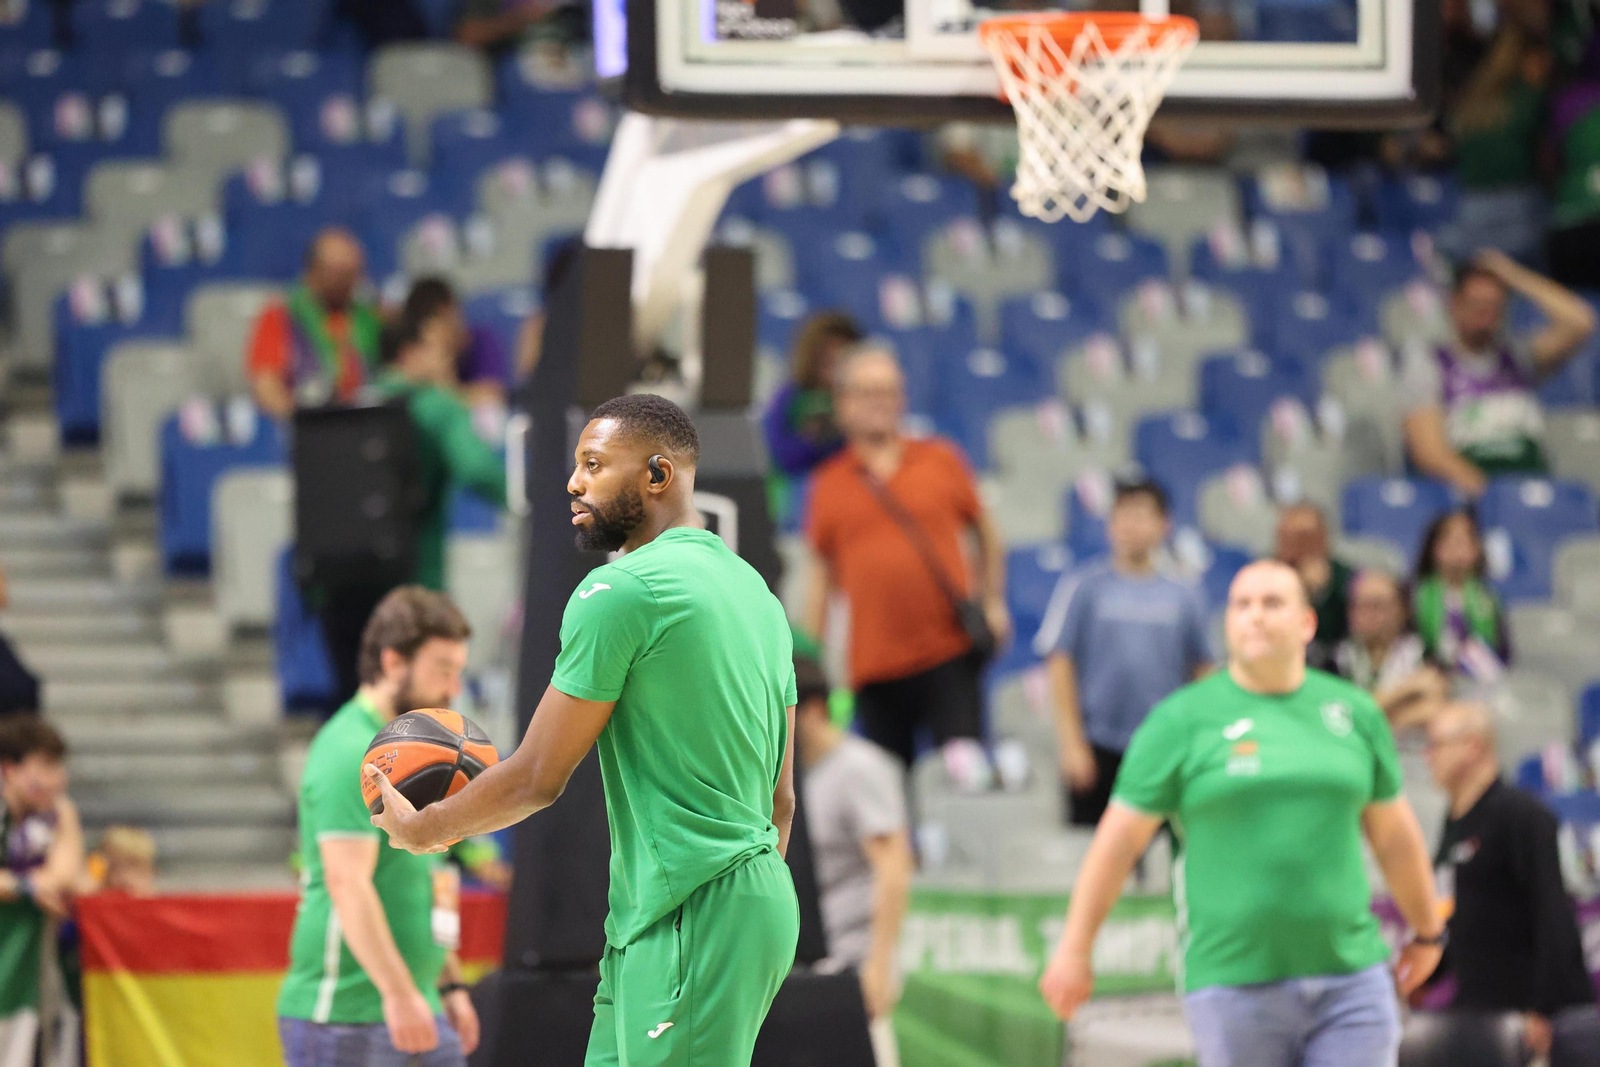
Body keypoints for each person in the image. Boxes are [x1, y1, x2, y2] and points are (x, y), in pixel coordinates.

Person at [367, 394, 802, 1067]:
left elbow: (540, 775)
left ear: (658, 475)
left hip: (694, 905)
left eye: (594, 464)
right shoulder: (758, 595)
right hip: (702, 906)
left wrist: (430, 829)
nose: (573, 482)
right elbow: (782, 803)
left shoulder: (621, 591)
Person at [1038, 561, 1446, 1067]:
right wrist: (1076, 949)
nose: (1255, 616)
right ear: (1227, 623)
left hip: (1352, 980)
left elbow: (1394, 837)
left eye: (1272, 603)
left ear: (1307, 623)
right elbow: (1119, 842)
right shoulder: (1180, 720)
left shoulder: (1355, 712)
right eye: (1242, 605)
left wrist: (1428, 930)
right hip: (1233, 983)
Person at [278, 587, 480, 1067]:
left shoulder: (421, 756)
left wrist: (447, 983)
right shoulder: (350, 748)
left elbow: (427, 878)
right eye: (442, 670)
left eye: (459, 671)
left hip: (415, 1001)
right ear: (392, 663)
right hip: (347, 1015)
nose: (454, 689)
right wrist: (398, 993)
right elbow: (348, 883)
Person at [803, 345, 1011, 775]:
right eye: (868, 392)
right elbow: (820, 581)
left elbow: (988, 534)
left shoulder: (941, 458)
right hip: (874, 669)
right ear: (843, 404)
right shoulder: (827, 484)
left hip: (949, 655)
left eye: (889, 390)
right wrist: (812, 666)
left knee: (961, 786)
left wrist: (993, 601)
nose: (881, 401)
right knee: (887, 795)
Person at [314, 311, 510, 706]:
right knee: (413, 726)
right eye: (438, 350)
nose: (449, 361)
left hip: (340, 592)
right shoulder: (436, 407)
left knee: (357, 713)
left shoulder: (348, 404)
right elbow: (480, 471)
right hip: (414, 593)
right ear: (410, 353)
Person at [1423, 702, 1599, 1060]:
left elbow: (1552, 913)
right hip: (1476, 1009)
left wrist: (1543, 1009)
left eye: (1436, 743)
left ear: (1473, 747)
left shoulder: (1522, 815)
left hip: (1529, 1016)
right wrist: (1418, 981)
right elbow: (1450, 916)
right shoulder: (1455, 822)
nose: (1428, 756)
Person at [1032, 479, 1212, 826]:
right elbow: (1059, 662)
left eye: (1142, 515)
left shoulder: (1185, 593)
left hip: (1165, 749)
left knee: (1164, 854)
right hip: (1098, 747)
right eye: (1122, 515)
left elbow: (1203, 670)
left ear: (1165, 524)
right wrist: (1072, 743)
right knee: (1095, 859)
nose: (1130, 525)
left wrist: (1195, 742)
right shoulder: (1083, 586)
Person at [793, 655, 911, 1067]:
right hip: (807, 968)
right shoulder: (791, 776)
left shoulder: (859, 770)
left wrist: (879, 966)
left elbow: (894, 868)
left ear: (811, 710)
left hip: (854, 966)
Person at [1402, 251, 1597, 497]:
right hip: (1472, 489)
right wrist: (1490, 497)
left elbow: (1581, 322)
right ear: (1454, 305)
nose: (1486, 315)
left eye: (1494, 306)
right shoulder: (1431, 364)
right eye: (1477, 304)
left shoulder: (1519, 357)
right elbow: (1428, 451)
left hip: (1531, 482)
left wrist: (1513, 275)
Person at [0, 715, 83, 1067]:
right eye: (45, 766)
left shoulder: (57, 813)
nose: (57, 779)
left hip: (22, 975)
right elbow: (45, 882)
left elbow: (66, 872)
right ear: (10, 770)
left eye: (58, 767)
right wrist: (27, 886)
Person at [247, 228, 382, 419]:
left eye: (353, 273)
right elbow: (266, 387)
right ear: (315, 270)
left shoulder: (368, 316)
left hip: (365, 422)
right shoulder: (282, 316)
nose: (347, 282)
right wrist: (302, 422)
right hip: (312, 425)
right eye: (338, 272)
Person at [1334, 569, 1448, 730]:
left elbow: (1433, 710)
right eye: (1358, 604)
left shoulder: (1424, 655)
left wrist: (1369, 717)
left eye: (1376, 605)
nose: (1364, 613)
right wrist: (1406, 690)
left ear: (1402, 610)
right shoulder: (1335, 660)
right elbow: (1341, 718)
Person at [762, 310, 860, 479]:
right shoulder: (790, 397)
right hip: (799, 493)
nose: (835, 371)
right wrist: (813, 440)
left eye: (843, 360)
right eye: (828, 361)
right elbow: (781, 456)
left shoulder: (863, 399)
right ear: (812, 359)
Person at [1413, 510, 1511, 680]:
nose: (1456, 548)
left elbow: (1503, 654)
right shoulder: (1416, 597)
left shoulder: (1490, 599)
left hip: (1480, 679)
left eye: (1464, 541)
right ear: (1434, 548)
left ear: (1476, 550)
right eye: (1448, 540)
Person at [399, 277, 510, 410]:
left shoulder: (482, 341)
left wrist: (445, 380)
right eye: (440, 319)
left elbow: (494, 399)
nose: (455, 323)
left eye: (453, 315)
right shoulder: (412, 354)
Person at [1273, 502, 1355, 665]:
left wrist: (1321, 594)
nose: (1296, 546)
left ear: (1323, 538)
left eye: (1304, 537)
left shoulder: (1346, 579)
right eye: (1289, 536)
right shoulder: (1262, 578)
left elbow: (1345, 636)